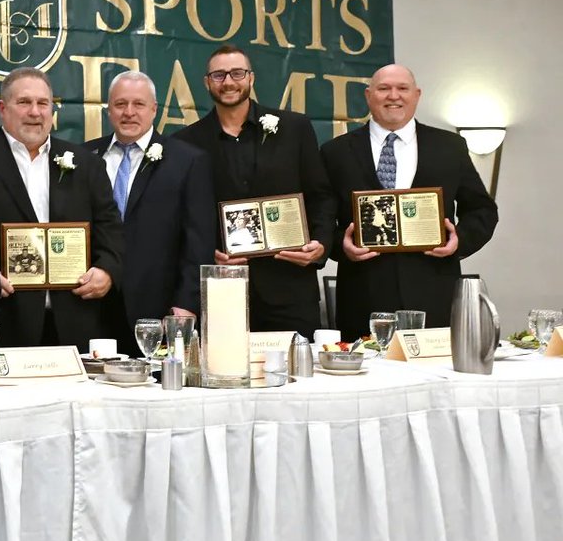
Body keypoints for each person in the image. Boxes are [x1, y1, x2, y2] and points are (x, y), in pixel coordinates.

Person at [320, 64, 498, 339]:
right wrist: (341, 246)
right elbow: (319, 218)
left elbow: (482, 210)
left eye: (402, 88)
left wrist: (459, 240)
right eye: (384, 88)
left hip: (434, 295)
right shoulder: (335, 152)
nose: (394, 96)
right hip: (363, 297)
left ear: (417, 95)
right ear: (368, 95)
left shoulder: (450, 147)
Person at [173, 45, 335, 337]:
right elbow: (182, 217)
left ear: (251, 78)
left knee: (297, 366)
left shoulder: (294, 128)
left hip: (290, 288)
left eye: (237, 73)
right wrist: (208, 254)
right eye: (219, 75)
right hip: (222, 291)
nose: (228, 82)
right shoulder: (185, 143)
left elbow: (321, 195)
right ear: (207, 82)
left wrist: (320, 244)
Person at [0, 67, 123, 349]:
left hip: (75, 323)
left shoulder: (87, 164)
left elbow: (111, 230)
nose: (35, 112)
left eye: (43, 103)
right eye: (24, 102)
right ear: (2, 109)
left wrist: (107, 271)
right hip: (4, 321)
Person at [82, 70, 214, 349]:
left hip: (159, 310)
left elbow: (199, 241)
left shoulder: (188, 161)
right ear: (108, 110)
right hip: (91, 306)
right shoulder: (84, 157)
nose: (129, 112)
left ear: (154, 109)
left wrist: (186, 304)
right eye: (120, 104)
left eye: (138, 104)